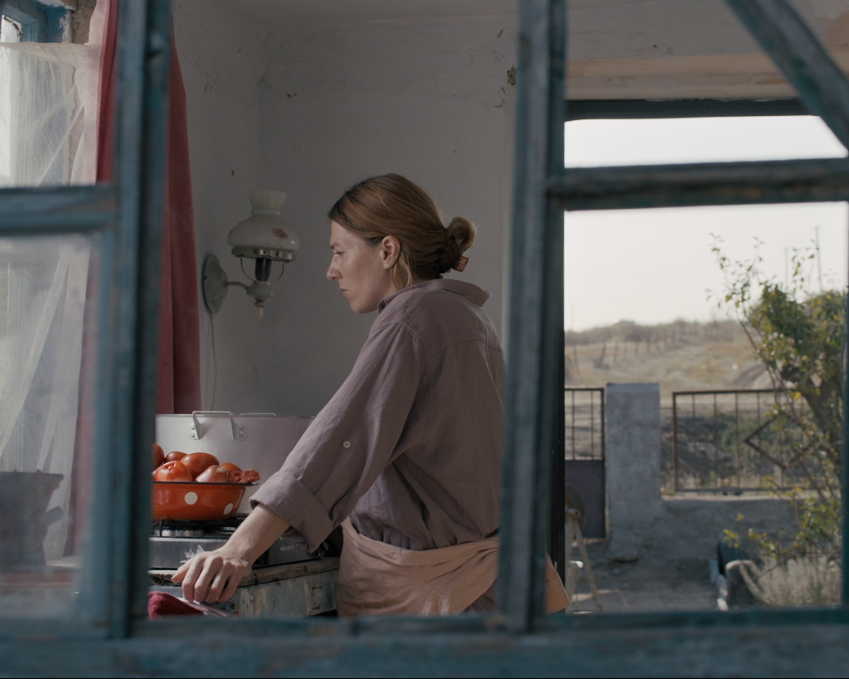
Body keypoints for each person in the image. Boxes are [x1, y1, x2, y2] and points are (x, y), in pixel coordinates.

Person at [172, 174, 566, 616]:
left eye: (340, 251)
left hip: (438, 601)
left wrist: (239, 548)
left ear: (388, 250)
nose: (331, 269)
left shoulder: (412, 319)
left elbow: (342, 439)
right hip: (490, 592)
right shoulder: (472, 319)